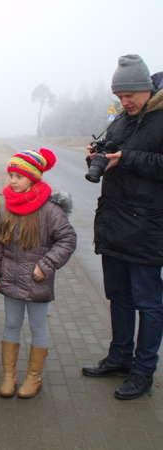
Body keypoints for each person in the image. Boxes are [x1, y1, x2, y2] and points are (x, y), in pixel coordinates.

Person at [82, 55, 163, 400]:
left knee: (149, 303)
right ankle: (119, 358)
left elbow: (137, 159)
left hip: (148, 228)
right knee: (118, 297)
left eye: (130, 95)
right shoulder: (121, 119)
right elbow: (113, 151)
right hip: (114, 224)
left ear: (147, 89)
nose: (124, 101)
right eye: (119, 95)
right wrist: (98, 155)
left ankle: (143, 372)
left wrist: (127, 158)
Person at [0, 148, 76, 399]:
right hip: (10, 279)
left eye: (18, 176)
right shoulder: (5, 206)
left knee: (38, 327)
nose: (12, 181)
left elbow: (67, 240)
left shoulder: (50, 210)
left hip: (38, 281)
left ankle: (34, 376)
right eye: (11, 176)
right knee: (11, 324)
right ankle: (9, 375)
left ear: (33, 178)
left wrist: (46, 265)